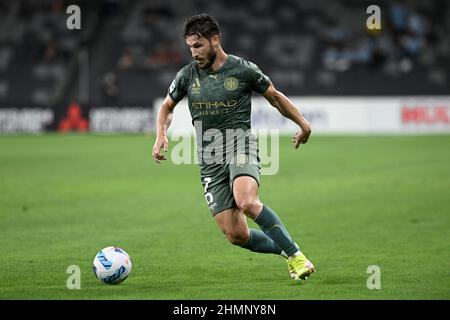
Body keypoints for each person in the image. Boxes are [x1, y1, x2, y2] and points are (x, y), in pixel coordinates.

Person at [152, 14, 315, 281]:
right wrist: (161, 134)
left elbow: (274, 97)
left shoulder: (243, 69)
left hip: (240, 144)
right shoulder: (187, 75)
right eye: (190, 47)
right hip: (209, 157)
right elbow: (167, 107)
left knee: (247, 201)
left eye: (198, 45)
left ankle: (297, 258)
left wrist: (303, 124)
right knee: (236, 235)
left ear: (215, 40)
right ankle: (288, 251)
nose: (193, 53)